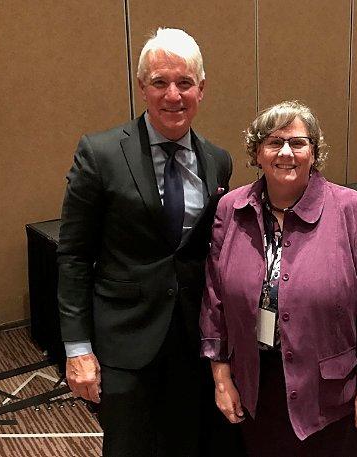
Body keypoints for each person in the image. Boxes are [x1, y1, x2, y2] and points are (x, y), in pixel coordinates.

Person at [57, 27, 242, 457]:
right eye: (159, 82)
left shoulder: (218, 161)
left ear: (202, 88)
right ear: (142, 87)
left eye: (184, 82)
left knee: (189, 442)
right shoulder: (100, 154)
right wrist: (77, 347)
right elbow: (74, 256)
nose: (172, 95)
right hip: (125, 340)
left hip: (194, 339)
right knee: (129, 447)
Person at [200, 100, 357, 457]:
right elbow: (214, 299)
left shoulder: (354, 210)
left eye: (298, 142)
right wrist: (221, 379)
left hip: (330, 396)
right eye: (274, 142)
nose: (286, 152)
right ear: (257, 153)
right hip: (257, 386)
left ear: (314, 151)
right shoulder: (231, 209)